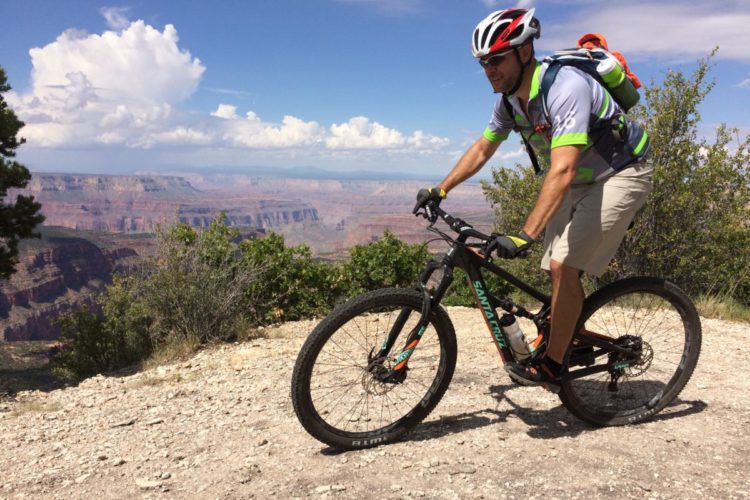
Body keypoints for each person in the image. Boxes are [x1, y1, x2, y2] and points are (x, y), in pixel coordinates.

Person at [413, 8, 652, 392]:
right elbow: (483, 148)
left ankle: (554, 366)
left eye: (496, 59)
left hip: (621, 173)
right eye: (483, 62)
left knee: (563, 264)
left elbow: (562, 170)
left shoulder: (565, 87)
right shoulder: (510, 101)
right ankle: (572, 336)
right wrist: (442, 188)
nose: (489, 69)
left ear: (524, 53)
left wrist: (525, 233)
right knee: (551, 267)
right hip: (580, 180)